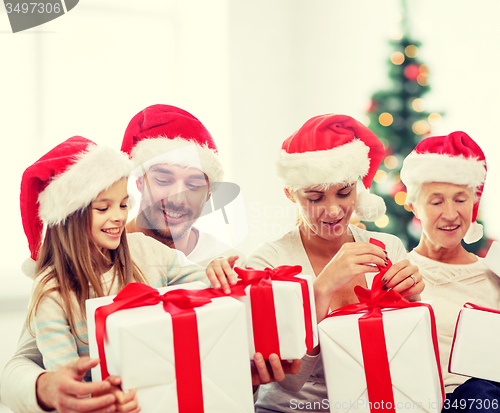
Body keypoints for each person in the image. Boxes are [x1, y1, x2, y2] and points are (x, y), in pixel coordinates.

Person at [0, 136, 234, 412]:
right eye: (102, 208)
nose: (118, 217)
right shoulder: (53, 291)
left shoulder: (145, 250)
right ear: (71, 215)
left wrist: (217, 271)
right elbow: (67, 378)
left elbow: (207, 285)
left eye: (123, 205)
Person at [247, 114, 424, 413]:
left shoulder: (387, 247)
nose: (332, 211)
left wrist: (412, 302)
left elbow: (406, 358)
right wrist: (322, 288)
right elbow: (287, 383)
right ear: (290, 193)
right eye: (315, 197)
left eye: (344, 192)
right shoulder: (269, 263)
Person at [400, 131, 500, 412]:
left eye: (460, 199)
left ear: (474, 203)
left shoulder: (493, 277)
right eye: (436, 201)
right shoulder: (400, 273)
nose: (451, 214)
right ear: (413, 206)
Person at [121, 104, 245, 270]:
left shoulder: (229, 264)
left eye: (193, 185)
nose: (177, 199)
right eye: (163, 180)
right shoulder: (101, 253)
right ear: (139, 182)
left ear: (208, 195)